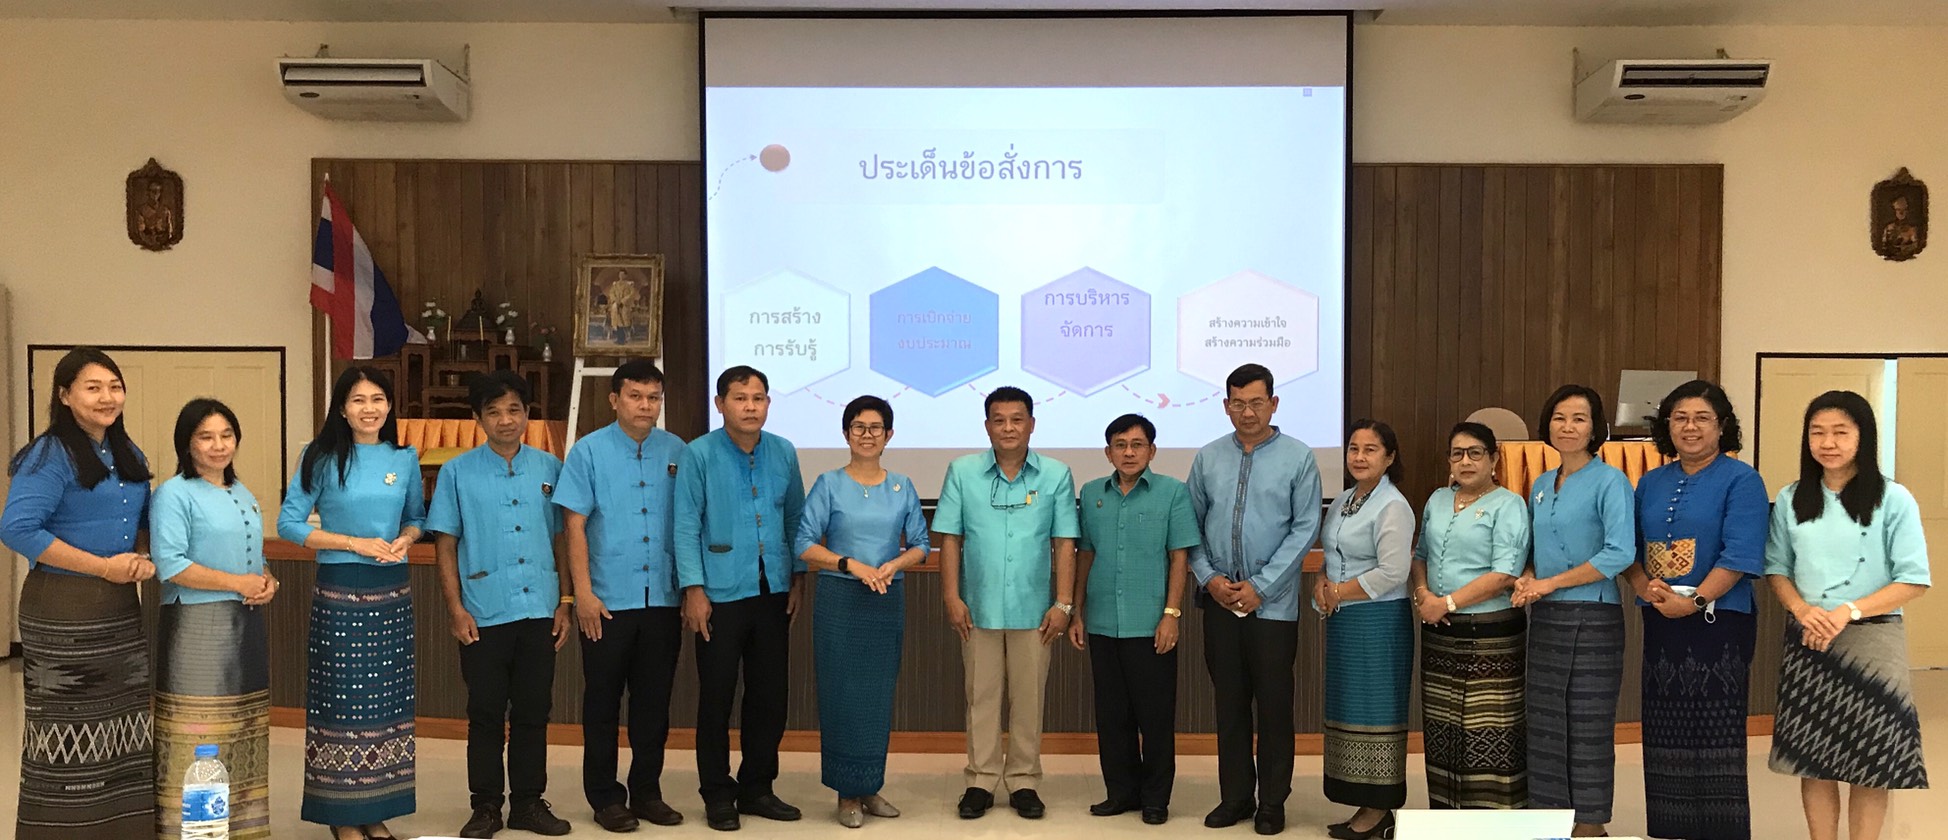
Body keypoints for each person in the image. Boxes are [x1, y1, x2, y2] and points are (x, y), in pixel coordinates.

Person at [0, 348, 156, 840]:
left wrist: (142, 555)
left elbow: (141, 519)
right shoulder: (48, 455)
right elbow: (17, 528)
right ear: (65, 396)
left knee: (122, 729)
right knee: (67, 735)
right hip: (62, 610)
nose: (107, 397)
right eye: (93, 387)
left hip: (118, 611)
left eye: (115, 386)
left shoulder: (127, 452)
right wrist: (104, 567)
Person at [1765, 390, 1930, 840]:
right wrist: (1802, 609)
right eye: (1817, 432)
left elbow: (1914, 579)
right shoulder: (1792, 497)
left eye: (1840, 432)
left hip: (1874, 639)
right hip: (1810, 636)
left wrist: (1848, 611)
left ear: (1863, 437)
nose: (1828, 442)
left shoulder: (1893, 498)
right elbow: (1777, 568)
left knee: (1872, 759)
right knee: (1813, 757)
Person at [278, 366, 426, 840]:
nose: (369, 408)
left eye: (378, 399)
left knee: (386, 702)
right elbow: (289, 524)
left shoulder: (404, 457)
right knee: (342, 700)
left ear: (390, 405)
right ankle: (341, 816)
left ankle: (375, 811)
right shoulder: (320, 456)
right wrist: (352, 543)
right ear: (342, 408)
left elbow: (417, 518)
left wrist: (406, 538)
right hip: (340, 588)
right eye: (358, 400)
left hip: (392, 591)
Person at [427, 372, 575, 838]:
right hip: (483, 611)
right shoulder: (457, 472)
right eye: (493, 412)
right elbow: (445, 545)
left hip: (540, 609)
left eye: (514, 409)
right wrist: (455, 608)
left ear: (527, 414)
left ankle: (528, 803)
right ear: (478, 418)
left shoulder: (550, 467)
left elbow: (562, 538)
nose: (505, 420)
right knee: (486, 714)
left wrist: (565, 601)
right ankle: (486, 806)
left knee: (534, 711)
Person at [1619, 379, 1767, 840]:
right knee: (1666, 732)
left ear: (1722, 426)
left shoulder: (1741, 479)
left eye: (1702, 418)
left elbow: (1740, 554)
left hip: (1719, 623)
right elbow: (1628, 548)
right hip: (1662, 621)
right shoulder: (1650, 482)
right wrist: (1645, 587)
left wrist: (1695, 600)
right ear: (1666, 425)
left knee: (1715, 735)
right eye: (1680, 418)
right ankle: (1672, 828)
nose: (1690, 427)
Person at [552, 359, 689, 832]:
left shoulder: (677, 450)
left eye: (653, 397)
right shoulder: (588, 452)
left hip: (663, 599)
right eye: (635, 396)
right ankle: (606, 797)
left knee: (654, 704)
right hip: (606, 602)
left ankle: (647, 792)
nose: (645, 406)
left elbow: (688, 521)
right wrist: (582, 595)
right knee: (603, 704)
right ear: (614, 400)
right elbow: (574, 526)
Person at [1186, 363, 1322, 836]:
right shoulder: (1207, 458)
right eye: (1238, 403)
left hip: (1273, 606)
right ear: (1226, 406)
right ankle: (1236, 798)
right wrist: (1210, 579)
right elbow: (1190, 527)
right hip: (1219, 601)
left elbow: (1305, 528)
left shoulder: (1299, 458)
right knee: (1229, 705)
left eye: (1257, 403)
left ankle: (1272, 803)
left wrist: (1260, 586)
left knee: (1274, 707)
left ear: (1274, 404)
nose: (1248, 412)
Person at [935, 385, 1079, 821]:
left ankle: (1023, 780)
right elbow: (950, 538)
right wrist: (951, 596)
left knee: (1029, 698)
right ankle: (980, 780)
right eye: (999, 420)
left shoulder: (1056, 474)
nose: (1008, 428)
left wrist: (1064, 603)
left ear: (1031, 424)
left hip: (1035, 609)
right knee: (980, 696)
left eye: (1017, 419)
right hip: (976, 607)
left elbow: (1065, 541)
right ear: (987, 426)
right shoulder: (962, 471)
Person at [674, 366, 807, 832]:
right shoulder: (699, 454)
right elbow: (686, 524)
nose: (751, 406)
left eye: (759, 398)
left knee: (769, 696)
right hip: (718, 594)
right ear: (720, 404)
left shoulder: (783, 451)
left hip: (772, 591)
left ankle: (757, 787)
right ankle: (717, 793)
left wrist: (797, 578)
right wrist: (693, 589)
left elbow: (795, 519)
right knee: (716, 697)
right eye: (740, 398)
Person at [794, 395, 931, 828]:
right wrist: (848, 564)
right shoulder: (829, 484)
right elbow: (803, 543)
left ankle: (870, 786)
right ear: (846, 434)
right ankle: (846, 793)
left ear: (889, 435)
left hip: (885, 599)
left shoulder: (902, 485)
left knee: (876, 697)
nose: (867, 435)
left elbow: (922, 545)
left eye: (875, 428)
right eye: (858, 427)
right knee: (841, 695)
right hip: (840, 601)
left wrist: (895, 563)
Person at [150, 399, 277, 840]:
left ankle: (239, 829)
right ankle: (195, 833)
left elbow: (254, 556)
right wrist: (239, 583)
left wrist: (266, 580)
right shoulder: (173, 493)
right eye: (206, 437)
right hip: (196, 629)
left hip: (246, 626)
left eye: (227, 435)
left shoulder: (241, 491)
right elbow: (170, 564)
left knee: (242, 729)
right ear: (186, 444)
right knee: (199, 734)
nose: (218, 445)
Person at [1511, 385, 1634, 837]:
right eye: (1559, 417)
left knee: (1587, 723)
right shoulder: (1542, 484)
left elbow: (1619, 553)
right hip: (1546, 617)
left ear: (1595, 428)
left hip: (1594, 617)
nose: (1568, 427)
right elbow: (1534, 549)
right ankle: (1550, 819)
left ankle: (1590, 823)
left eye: (1579, 418)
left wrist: (1549, 583)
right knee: (1545, 721)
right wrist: (1528, 577)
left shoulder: (1611, 481)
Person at [1067, 414, 1200, 826]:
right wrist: (1076, 611)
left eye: (1137, 444)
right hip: (1103, 621)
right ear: (1108, 452)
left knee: (1155, 717)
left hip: (1151, 623)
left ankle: (1156, 798)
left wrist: (1171, 614)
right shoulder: (1092, 493)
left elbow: (1179, 557)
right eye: (1120, 445)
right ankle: (1120, 792)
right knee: (1112, 716)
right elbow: (1085, 554)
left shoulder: (1172, 493)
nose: (1128, 452)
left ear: (1152, 451)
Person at [1411, 421, 1530, 811]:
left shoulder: (1508, 504)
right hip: (1440, 632)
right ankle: (1447, 817)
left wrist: (1446, 603)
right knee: (1442, 727)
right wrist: (1424, 595)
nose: (1465, 461)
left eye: (1475, 453)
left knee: (1488, 728)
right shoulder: (1437, 500)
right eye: (1457, 453)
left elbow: (1505, 573)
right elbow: (1420, 556)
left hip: (1491, 634)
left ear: (1493, 459)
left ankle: (1494, 821)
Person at [1312, 420, 1413, 840]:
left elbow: (1393, 571)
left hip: (1379, 621)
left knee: (1377, 712)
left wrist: (1337, 590)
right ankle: (1363, 801)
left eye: (1370, 449)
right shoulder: (1344, 500)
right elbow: (1331, 554)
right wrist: (1321, 581)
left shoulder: (1393, 505)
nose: (1359, 457)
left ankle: (1379, 808)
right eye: (1353, 448)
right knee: (1351, 710)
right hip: (1345, 621)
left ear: (1389, 457)